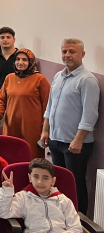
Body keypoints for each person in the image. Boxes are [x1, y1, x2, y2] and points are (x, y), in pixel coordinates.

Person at [41, 38, 100, 215]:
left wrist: (78, 139)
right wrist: (45, 130)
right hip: (55, 139)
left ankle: (78, 219)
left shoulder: (87, 80)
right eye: (64, 51)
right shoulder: (58, 76)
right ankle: (61, 215)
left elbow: (90, 115)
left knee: (75, 184)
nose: (67, 55)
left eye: (72, 51)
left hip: (75, 144)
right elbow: (50, 106)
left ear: (82, 54)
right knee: (59, 181)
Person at [0, 48, 50, 159]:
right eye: (17, 59)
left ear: (31, 62)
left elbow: (48, 106)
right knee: (11, 153)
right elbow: (1, 99)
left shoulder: (40, 79)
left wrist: (45, 128)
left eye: (24, 60)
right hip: (11, 124)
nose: (20, 62)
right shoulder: (9, 78)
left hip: (32, 127)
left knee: (31, 156)